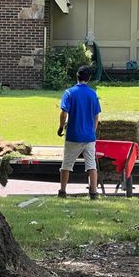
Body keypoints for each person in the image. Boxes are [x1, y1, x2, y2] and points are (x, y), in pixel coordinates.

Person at [57, 65, 101, 199]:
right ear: (89, 79)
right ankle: (93, 192)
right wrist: (92, 131)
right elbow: (96, 116)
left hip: (73, 135)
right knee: (91, 165)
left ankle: (63, 191)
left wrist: (60, 127)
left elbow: (64, 112)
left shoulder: (69, 93)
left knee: (67, 165)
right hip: (89, 137)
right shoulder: (93, 94)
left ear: (77, 76)